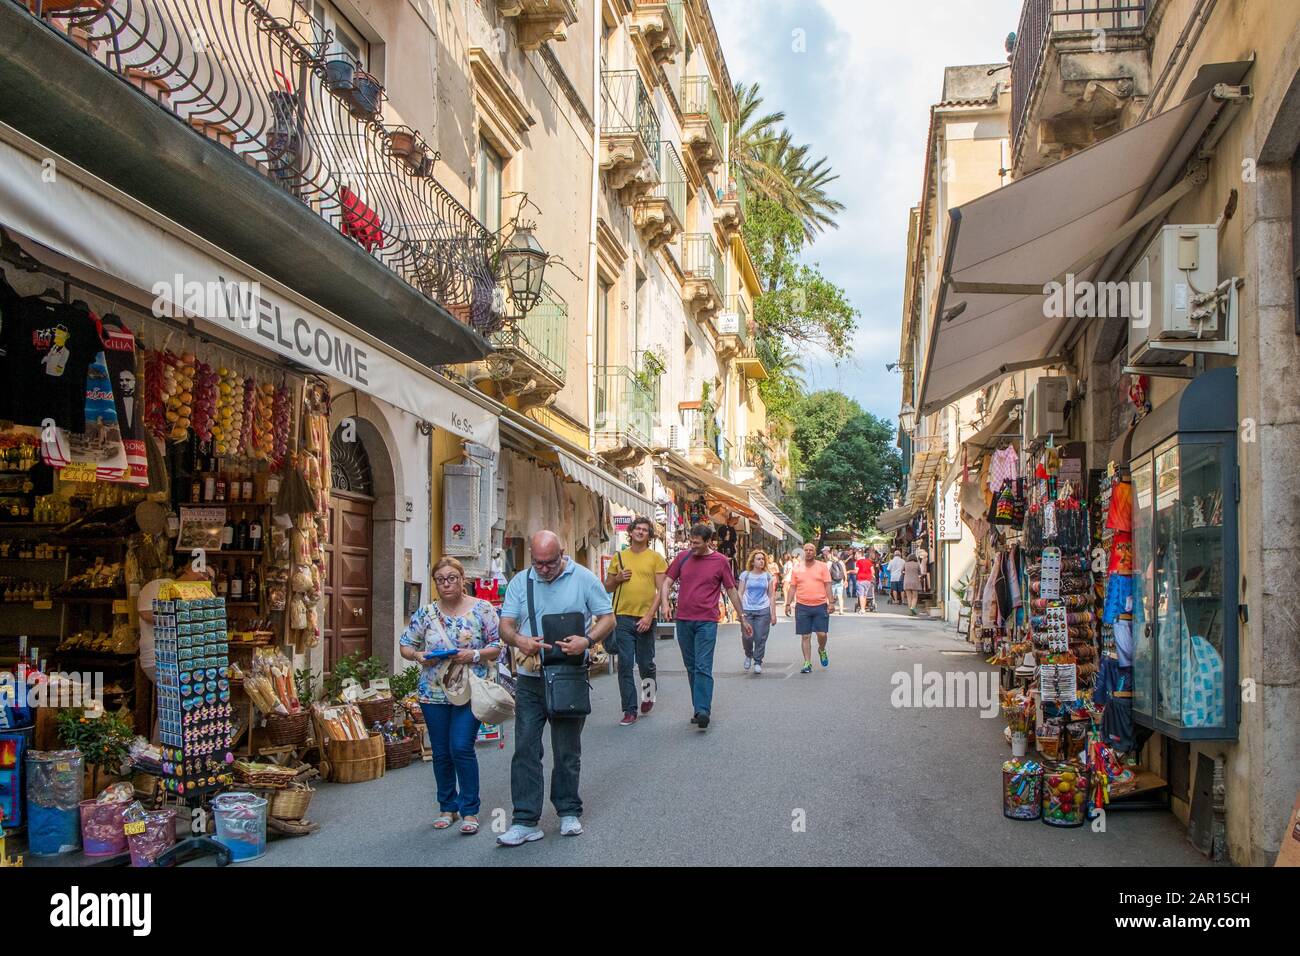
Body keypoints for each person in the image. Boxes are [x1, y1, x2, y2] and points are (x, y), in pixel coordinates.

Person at [496, 531, 615, 846]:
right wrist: (519, 640)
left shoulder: (584, 578)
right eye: (538, 563)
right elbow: (505, 625)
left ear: (562, 554)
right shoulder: (522, 581)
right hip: (530, 678)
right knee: (525, 748)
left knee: (566, 749)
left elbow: (608, 617)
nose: (544, 569)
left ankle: (568, 810)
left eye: (550, 563)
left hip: (568, 675)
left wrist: (587, 640)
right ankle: (524, 820)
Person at [398, 557, 501, 835]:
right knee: (441, 752)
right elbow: (405, 645)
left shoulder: (483, 609)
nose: (446, 583)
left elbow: (497, 645)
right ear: (435, 583)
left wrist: (474, 654)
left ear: (462, 578)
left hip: (471, 689)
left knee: (461, 747)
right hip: (434, 692)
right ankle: (447, 806)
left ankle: (470, 810)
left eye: (452, 577)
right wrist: (418, 655)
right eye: (441, 579)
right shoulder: (426, 614)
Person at [659, 523, 750, 729]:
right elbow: (666, 582)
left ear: (709, 542)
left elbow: (731, 590)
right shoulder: (683, 557)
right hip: (683, 620)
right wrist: (665, 603)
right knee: (691, 666)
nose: (692, 546)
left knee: (702, 665)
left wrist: (742, 617)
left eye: (697, 543)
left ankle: (703, 710)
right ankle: (698, 706)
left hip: (707, 621)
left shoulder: (720, 561)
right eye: (691, 542)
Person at [137, 556, 214, 741]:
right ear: (187, 569)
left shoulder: (196, 598)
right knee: (179, 701)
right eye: (202, 571)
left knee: (178, 703)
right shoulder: (159, 585)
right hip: (158, 657)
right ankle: (161, 752)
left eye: (210, 577)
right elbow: (147, 613)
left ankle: (166, 754)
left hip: (181, 659)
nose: (205, 577)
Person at [602, 515, 667, 726]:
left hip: (645, 618)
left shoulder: (656, 558)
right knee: (625, 665)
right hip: (622, 617)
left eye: (645, 530)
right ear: (630, 532)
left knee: (645, 664)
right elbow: (607, 587)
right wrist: (617, 578)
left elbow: (661, 589)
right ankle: (629, 710)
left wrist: (650, 616)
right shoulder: (619, 557)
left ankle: (648, 693)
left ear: (649, 535)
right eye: (637, 529)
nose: (640, 532)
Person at [784, 541, 833, 674]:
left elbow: (828, 585)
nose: (809, 552)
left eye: (811, 550)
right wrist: (788, 604)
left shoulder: (822, 567)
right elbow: (792, 587)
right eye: (806, 550)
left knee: (822, 634)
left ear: (815, 552)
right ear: (803, 552)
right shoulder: (797, 568)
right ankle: (807, 662)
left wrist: (832, 602)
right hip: (802, 606)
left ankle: (821, 649)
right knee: (805, 636)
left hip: (820, 604)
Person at [737, 550, 777, 673]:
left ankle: (758, 661)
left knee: (760, 637)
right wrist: (739, 611)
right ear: (753, 562)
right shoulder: (746, 575)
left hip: (763, 610)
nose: (761, 561)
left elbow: (771, 595)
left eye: (762, 559)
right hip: (747, 610)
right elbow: (739, 592)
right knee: (747, 637)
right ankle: (748, 654)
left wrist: (773, 613)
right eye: (758, 559)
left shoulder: (767, 576)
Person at [825, 547, 845, 614]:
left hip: (832, 581)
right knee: (840, 596)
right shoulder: (841, 562)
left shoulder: (829, 563)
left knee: (830, 596)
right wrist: (846, 580)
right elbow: (844, 571)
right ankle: (841, 610)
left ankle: (829, 609)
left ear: (832, 554)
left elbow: (826, 572)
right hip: (840, 580)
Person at [903, 551, 924, 616]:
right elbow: (920, 573)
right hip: (915, 582)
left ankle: (910, 611)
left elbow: (902, 571)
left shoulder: (905, 564)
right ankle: (912, 608)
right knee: (915, 596)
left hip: (907, 581)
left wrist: (906, 573)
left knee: (909, 597)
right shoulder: (917, 564)